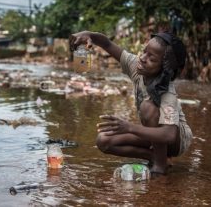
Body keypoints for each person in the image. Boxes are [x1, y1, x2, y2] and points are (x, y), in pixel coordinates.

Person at [70, 31, 193, 175]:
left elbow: (169, 134)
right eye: (144, 51)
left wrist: (129, 127)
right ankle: (155, 157)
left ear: (164, 70)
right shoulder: (136, 66)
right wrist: (89, 35)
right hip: (157, 134)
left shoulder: (167, 93)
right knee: (104, 140)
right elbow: (107, 44)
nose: (142, 58)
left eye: (151, 58)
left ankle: (160, 166)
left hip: (177, 141)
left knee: (148, 108)